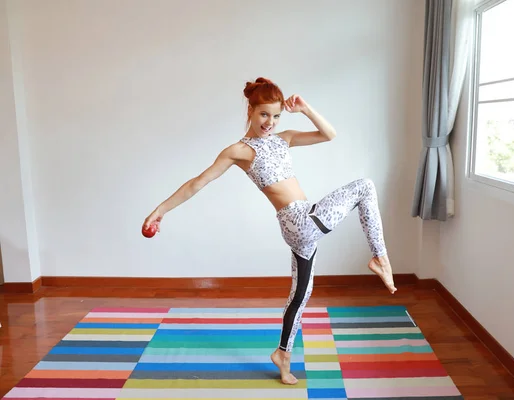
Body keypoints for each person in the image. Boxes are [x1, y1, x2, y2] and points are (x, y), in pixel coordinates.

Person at [142, 77, 396, 385]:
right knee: (365, 187)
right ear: (250, 110)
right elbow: (198, 182)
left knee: (301, 295)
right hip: (299, 222)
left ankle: (283, 356)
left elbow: (329, 134)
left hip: (303, 221)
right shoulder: (239, 150)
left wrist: (304, 109)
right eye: (264, 114)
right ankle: (380, 258)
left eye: (276, 116)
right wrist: (160, 210)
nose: (270, 122)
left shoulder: (283, 138)